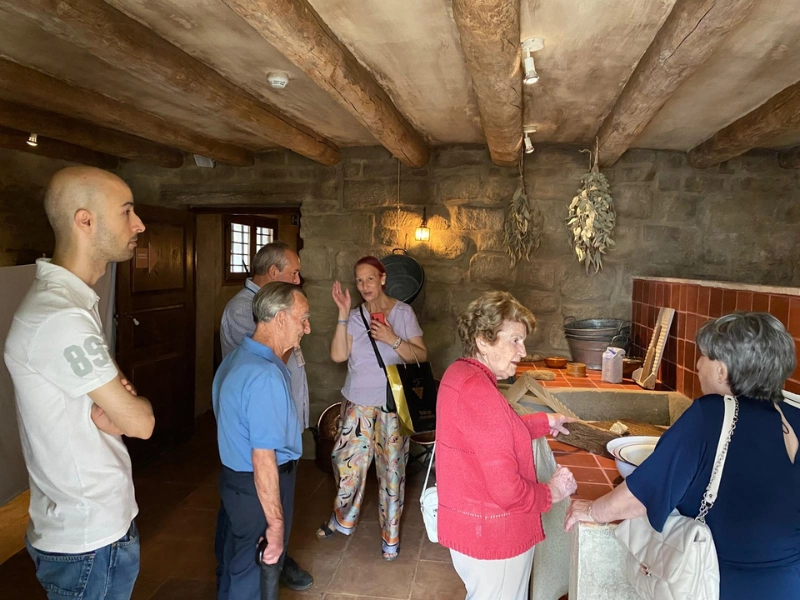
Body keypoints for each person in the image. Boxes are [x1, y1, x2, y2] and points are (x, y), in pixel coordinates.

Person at [565, 311, 800, 599]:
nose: (698, 365)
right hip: (788, 584)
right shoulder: (794, 415)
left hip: (721, 583)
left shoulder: (711, 413)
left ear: (722, 370)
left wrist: (592, 510)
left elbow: (639, 496)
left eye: (704, 356)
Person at [4, 167, 154, 600]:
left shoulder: (71, 304)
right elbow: (139, 421)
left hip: (92, 528)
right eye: (126, 211)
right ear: (85, 220)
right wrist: (129, 407)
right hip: (88, 537)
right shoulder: (61, 317)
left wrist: (120, 407)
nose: (139, 224)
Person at [436, 291, 578, 600]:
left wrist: (544, 422)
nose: (523, 351)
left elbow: (490, 436)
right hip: (493, 539)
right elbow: (508, 490)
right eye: (515, 340)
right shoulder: (480, 392)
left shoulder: (459, 374)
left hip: (473, 531)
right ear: (483, 340)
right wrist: (553, 491)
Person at [316, 256, 427, 561]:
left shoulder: (403, 313)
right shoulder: (353, 317)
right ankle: (344, 517)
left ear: (382, 278)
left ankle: (390, 536)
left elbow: (420, 357)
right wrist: (342, 313)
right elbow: (339, 356)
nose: (364, 286)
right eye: (359, 280)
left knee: (392, 469)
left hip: (393, 405)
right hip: (357, 402)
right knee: (346, 461)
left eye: (369, 279)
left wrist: (392, 339)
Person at [218, 241, 312, 591]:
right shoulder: (265, 374)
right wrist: (275, 524)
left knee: (240, 560)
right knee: (257, 568)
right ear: (281, 318)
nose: (306, 329)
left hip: (237, 478)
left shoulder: (237, 361)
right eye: (303, 321)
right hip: (257, 480)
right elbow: (263, 455)